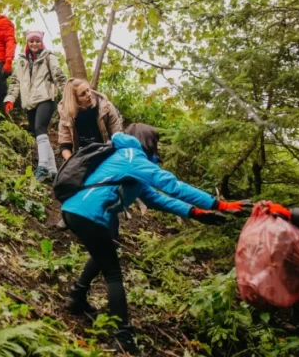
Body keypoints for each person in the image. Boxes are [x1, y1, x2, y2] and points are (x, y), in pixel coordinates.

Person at [61, 123, 252, 353]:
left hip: (76, 211)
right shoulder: (131, 155)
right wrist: (218, 203)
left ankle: (77, 297)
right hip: (87, 213)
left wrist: (195, 213)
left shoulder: (130, 162)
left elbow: (154, 198)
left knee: (103, 251)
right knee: (113, 273)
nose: (157, 146)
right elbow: (171, 185)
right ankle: (122, 336)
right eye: (156, 142)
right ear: (148, 140)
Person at [3, 30, 67, 182]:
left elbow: (59, 75)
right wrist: (10, 99)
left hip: (45, 98)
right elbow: (15, 82)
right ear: (27, 43)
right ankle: (53, 171)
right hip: (29, 103)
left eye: (37, 41)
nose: (34, 44)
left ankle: (43, 166)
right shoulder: (22, 61)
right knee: (40, 133)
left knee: (39, 128)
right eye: (31, 41)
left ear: (41, 42)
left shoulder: (48, 57)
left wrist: (67, 96)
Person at [58, 78, 123, 161]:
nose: (88, 94)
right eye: (83, 94)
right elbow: (65, 144)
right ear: (74, 100)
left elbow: (117, 134)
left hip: (106, 153)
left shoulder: (105, 107)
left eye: (88, 90)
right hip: (82, 157)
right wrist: (72, 162)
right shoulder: (66, 114)